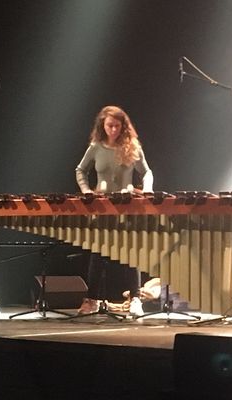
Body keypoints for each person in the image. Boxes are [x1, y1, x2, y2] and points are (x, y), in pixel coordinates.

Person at [75, 105, 154, 316]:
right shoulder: (96, 146)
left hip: (126, 206)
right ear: (103, 125)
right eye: (109, 125)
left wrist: (147, 189)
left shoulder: (132, 147)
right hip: (101, 207)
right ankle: (91, 300)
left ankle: (136, 299)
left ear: (123, 126)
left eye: (117, 126)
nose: (113, 130)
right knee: (97, 254)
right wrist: (85, 190)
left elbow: (146, 172)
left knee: (130, 253)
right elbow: (80, 170)